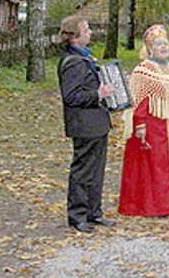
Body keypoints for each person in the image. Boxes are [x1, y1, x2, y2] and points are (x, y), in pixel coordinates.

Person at [57, 15, 116, 233]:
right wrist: (97, 93)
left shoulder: (85, 58)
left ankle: (94, 212)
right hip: (84, 125)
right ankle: (77, 215)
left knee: (97, 171)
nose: (90, 32)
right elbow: (71, 96)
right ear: (75, 37)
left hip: (97, 124)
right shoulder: (72, 62)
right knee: (82, 170)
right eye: (86, 30)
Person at [118, 24, 169, 217]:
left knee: (166, 164)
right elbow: (139, 100)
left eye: (165, 43)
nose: (164, 47)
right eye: (158, 44)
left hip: (168, 123)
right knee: (153, 166)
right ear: (150, 48)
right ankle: (153, 206)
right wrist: (140, 125)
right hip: (151, 125)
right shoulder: (143, 70)